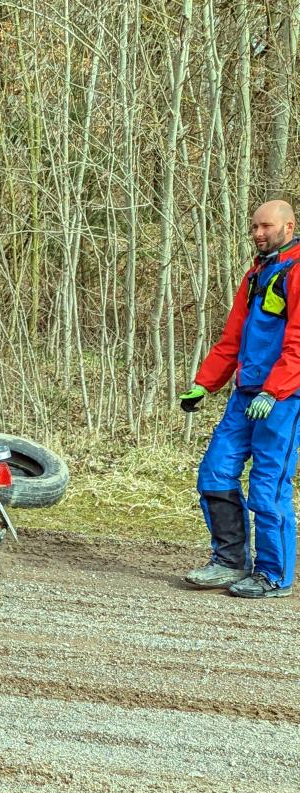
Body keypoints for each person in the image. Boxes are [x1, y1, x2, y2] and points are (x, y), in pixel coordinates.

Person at [180, 199, 300, 599]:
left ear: (288, 227)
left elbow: (298, 344)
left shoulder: (297, 271)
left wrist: (274, 390)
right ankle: (229, 562)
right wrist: (204, 383)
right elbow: (233, 337)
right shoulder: (257, 273)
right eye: (254, 227)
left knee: (268, 486)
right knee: (214, 472)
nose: (258, 233)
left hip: (283, 399)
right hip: (245, 395)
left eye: (266, 226)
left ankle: (273, 575)